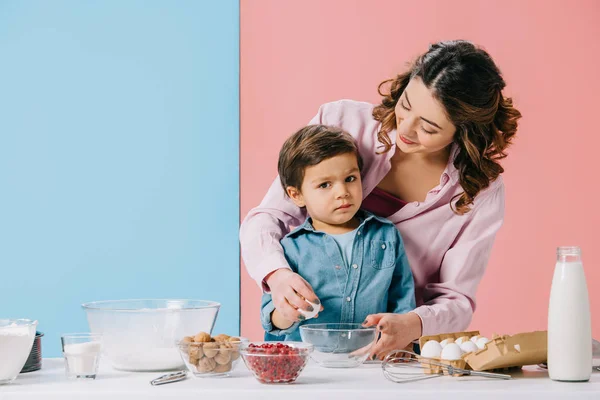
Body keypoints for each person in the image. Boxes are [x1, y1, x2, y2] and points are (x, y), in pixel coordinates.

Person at [240, 40, 522, 359]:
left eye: (429, 127)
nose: (406, 128)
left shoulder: (480, 191)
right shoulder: (341, 122)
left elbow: (456, 299)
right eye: (406, 105)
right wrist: (277, 276)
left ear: (464, 131)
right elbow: (267, 218)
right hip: (305, 350)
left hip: (388, 357)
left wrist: (411, 324)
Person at [261, 124, 416, 341]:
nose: (342, 193)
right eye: (325, 185)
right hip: (310, 365)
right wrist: (288, 313)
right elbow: (270, 319)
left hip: (370, 361)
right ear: (296, 195)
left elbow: (402, 300)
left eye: (350, 179)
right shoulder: (290, 248)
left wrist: (401, 339)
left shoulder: (386, 236)